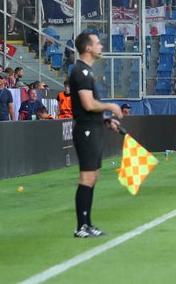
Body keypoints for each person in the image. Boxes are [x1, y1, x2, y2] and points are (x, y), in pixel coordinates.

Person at [68, 30, 124, 239]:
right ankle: (81, 227)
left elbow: (89, 108)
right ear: (88, 47)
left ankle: (87, 224)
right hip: (86, 131)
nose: (101, 46)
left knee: (93, 178)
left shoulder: (87, 72)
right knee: (87, 177)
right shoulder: (80, 72)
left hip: (94, 127)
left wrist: (105, 120)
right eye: (98, 43)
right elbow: (88, 104)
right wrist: (110, 106)